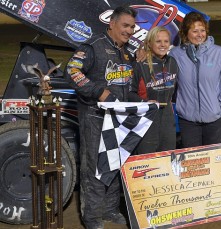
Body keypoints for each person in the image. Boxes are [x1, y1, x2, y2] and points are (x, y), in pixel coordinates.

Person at [64, 6, 144, 229]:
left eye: (132, 27)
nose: (129, 31)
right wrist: (97, 90)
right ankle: (91, 217)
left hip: (120, 118)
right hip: (95, 117)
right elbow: (72, 71)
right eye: (125, 26)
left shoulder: (127, 51)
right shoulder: (94, 46)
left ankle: (110, 209)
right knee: (94, 166)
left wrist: (138, 64)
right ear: (112, 24)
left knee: (116, 163)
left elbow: (127, 83)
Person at [169, 12, 221, 148]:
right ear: (185, 33)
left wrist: (219, 104)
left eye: (202, 30)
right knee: (193, 161)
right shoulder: (175, 54)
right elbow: (168, 80)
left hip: (215, 118)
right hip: (187, 119)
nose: (199, 34)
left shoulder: (219, 53)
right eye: (195, 31)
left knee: (211, 159)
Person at [129, 26, 178, 154]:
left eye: (166, 41)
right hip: (146, 117)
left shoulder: (172, 62)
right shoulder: (140, 63)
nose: (163, 45)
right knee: (146, 159)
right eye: (158, 41)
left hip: (167, 117)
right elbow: (129, 93)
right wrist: (143, 102)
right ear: (150, 43)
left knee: (167, 156)